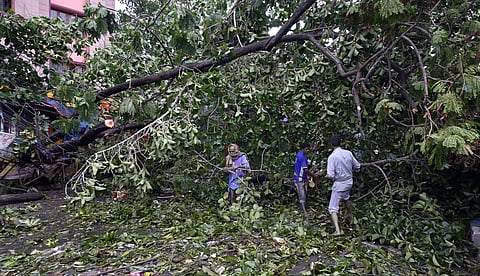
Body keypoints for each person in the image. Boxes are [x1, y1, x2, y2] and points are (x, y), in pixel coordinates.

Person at [326, 135, 360, 235]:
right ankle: (350, 216)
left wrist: (326, 176)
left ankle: (337, 230)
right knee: (346, 197)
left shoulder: (332, 157)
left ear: (331, 144)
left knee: (332, 208)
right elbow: (357, 166)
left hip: (340, 183)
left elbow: (331, 175)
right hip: (349, 181)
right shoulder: (348, 153)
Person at [293, 142, 311, 215]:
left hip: (301, 178)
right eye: (306, 149)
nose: (307, 150)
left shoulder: (300, 154)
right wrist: (313, 176)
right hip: (299, 179)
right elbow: (305, 170)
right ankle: (303, 212)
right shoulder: (302, 156)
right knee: (302, 196)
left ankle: (302, 210)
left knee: (303, 194)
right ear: (303, 149)